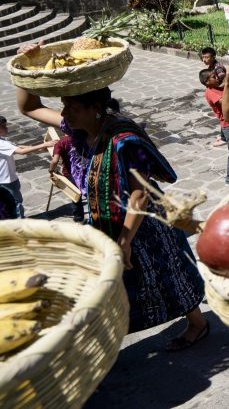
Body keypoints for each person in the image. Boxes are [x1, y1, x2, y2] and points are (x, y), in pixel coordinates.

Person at [14, 85, 207, 347]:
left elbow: (141, 192)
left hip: (142, 221)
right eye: (64, 105)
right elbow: (30, 107)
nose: (65, 113)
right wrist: (24, 75)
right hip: (102, 216)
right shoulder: (79, 127)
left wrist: (125, 240)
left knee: (167, 270)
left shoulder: (123, 138)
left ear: (95, 109)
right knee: (113, 281)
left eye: (72, 107)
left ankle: (198, 323)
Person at [0, 114, 54, 217]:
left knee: (9, 204)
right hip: (6, 180)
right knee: (16, 203)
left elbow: (18, 147)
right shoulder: (1, 143)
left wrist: (40, 148)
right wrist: (44, 145)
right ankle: (20, 226)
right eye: (3, 126)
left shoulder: (3, 141)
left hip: (7, 179)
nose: (6, 128)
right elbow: (21, 151)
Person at [202, 66, 229, 185]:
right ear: (207, 82)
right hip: (228, 125)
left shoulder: (218, 87)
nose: (216, 77)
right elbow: (225, 103)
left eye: (215, 75)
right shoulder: (210, 92)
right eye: (213, 77)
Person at [49, 131, 85, 222]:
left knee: (76, 197)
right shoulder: (82, 137)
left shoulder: (61, 142)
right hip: (84, 170)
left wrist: (51, 171)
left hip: (70, 173)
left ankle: (79, 219)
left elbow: (54, 161)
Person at [200, 47, 226, 147]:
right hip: (216, 93)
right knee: (221, 115)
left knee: (224, 116)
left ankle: (225, 138)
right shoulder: (211, 66)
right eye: (203, 57)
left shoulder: (218, 67)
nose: (204, 60)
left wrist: (217, 86)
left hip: (220, 94)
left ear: (213, 57)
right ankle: (224, 135)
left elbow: (223, 77)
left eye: (206, 57)